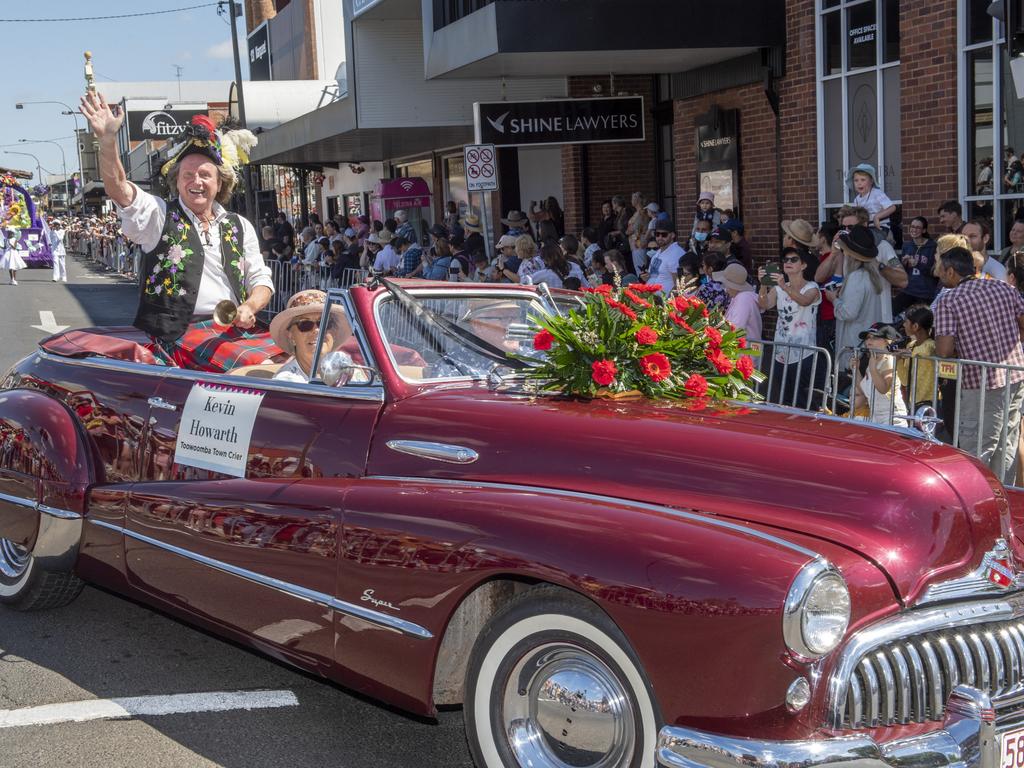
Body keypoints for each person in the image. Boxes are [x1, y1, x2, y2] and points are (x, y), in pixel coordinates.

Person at [81, 91, 275, 367]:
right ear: (177, 181)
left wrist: (250, 306)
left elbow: (261, 280)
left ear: (220, 184)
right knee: (257, 369)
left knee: (291, 362)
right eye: (188, 175)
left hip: (235, 329)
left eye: (205, 175)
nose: (196, 181)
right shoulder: (159, 215)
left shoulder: (239, 226)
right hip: (181, 335)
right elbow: (120, 190)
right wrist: (108, 140)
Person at [933, 246, 1024, 482]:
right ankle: (1004, 500)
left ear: (951, 271)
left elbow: (944, 350)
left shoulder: (949, 300)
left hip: (980, 381)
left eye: (941, 270)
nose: (939, 275)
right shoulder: (1004, 287)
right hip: (1015, 374)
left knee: (977, 449)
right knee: (1007, 443)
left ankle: (978, 504)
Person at [758, 246, 823, 409]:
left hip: (804, 351)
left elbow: (805, 301)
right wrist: (763, 286)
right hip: (781, 350)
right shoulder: (779, 288)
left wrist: (785, 287)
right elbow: (764, 304)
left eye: (794, 260)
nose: (788, 262)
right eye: (785, 260)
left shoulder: (812, 287)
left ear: (803, 265)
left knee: (802, 397)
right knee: (785, 398)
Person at [826, 225, 888, 369]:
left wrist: (833, 299)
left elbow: (848, 313)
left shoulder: (857, 277)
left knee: (853, 388)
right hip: (865, 344)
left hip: (855, 346)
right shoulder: (871, 275)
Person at [269, 289, 349, 383]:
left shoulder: (349, 371)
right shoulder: (286, 382)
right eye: (305, 324)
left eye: (324, 324)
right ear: (291, 336)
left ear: (334, 333)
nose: (316, 330)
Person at [852, 323, 908, 426]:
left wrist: (873, 369)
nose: (869, 341)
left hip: (893, 419)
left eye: (874, 337)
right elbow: (863, 390)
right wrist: (856, 369)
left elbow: (883, 389)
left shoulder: (889, 360)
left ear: (887, 341)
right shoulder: (873, 360)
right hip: (876, 417)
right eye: (868, 337)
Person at [896, 304, 937, 412]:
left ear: (915, 326)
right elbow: (905, 380)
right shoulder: (911, 345)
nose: (903, 325)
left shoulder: (931, 345)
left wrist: (910, 354)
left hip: (930, 403)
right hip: (913, 402)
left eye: (906, 322)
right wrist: (899, 359)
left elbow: (925, 352)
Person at [896, 216, 939, 312]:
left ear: (924, 230)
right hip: (909, 290)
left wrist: (918, 264)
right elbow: (904, 272)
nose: (914, 230)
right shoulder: (907, 246)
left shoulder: (933, 247)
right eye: (912, 226)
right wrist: (904, 264)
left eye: (918, 227)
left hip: (926, 293)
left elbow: (935, 272)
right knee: (893, 310)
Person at [718, 262, 762, 342]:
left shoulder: (743, 298)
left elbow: (735, 327)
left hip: (745, 351)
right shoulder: (740, 297)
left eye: (726, 285)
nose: (726, 289)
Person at [848, 163, 896, 232]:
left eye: (863, 180)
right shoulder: (856, 200)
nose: (859, 183)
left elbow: (892, 207)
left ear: (871, 181)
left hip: (880, 228)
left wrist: (877, 217)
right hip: (866, 229)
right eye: (856, 180)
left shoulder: (877, 193)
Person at [643, 220, 684, 295]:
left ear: (672, 235)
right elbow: (654, 276)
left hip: (665, 302)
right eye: (657, 234)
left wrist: (670, 302)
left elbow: (678, 285)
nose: (660, 237)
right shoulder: (658, 253)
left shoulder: (675, 253)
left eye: (664, 234)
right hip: (652, 300)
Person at [45, 216, 68, 283]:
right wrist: (50, 244)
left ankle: (63, 276)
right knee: (55, 263)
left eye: (55, 224)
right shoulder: (52, 231)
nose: (54, 226)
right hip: (54, 249)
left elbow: (60, 238)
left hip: (61, 250)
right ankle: (55, 277)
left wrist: (55, 232)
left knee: (62, 264)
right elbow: (50, 239)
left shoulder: (62, 231)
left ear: (58, 225)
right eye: (53, 224)